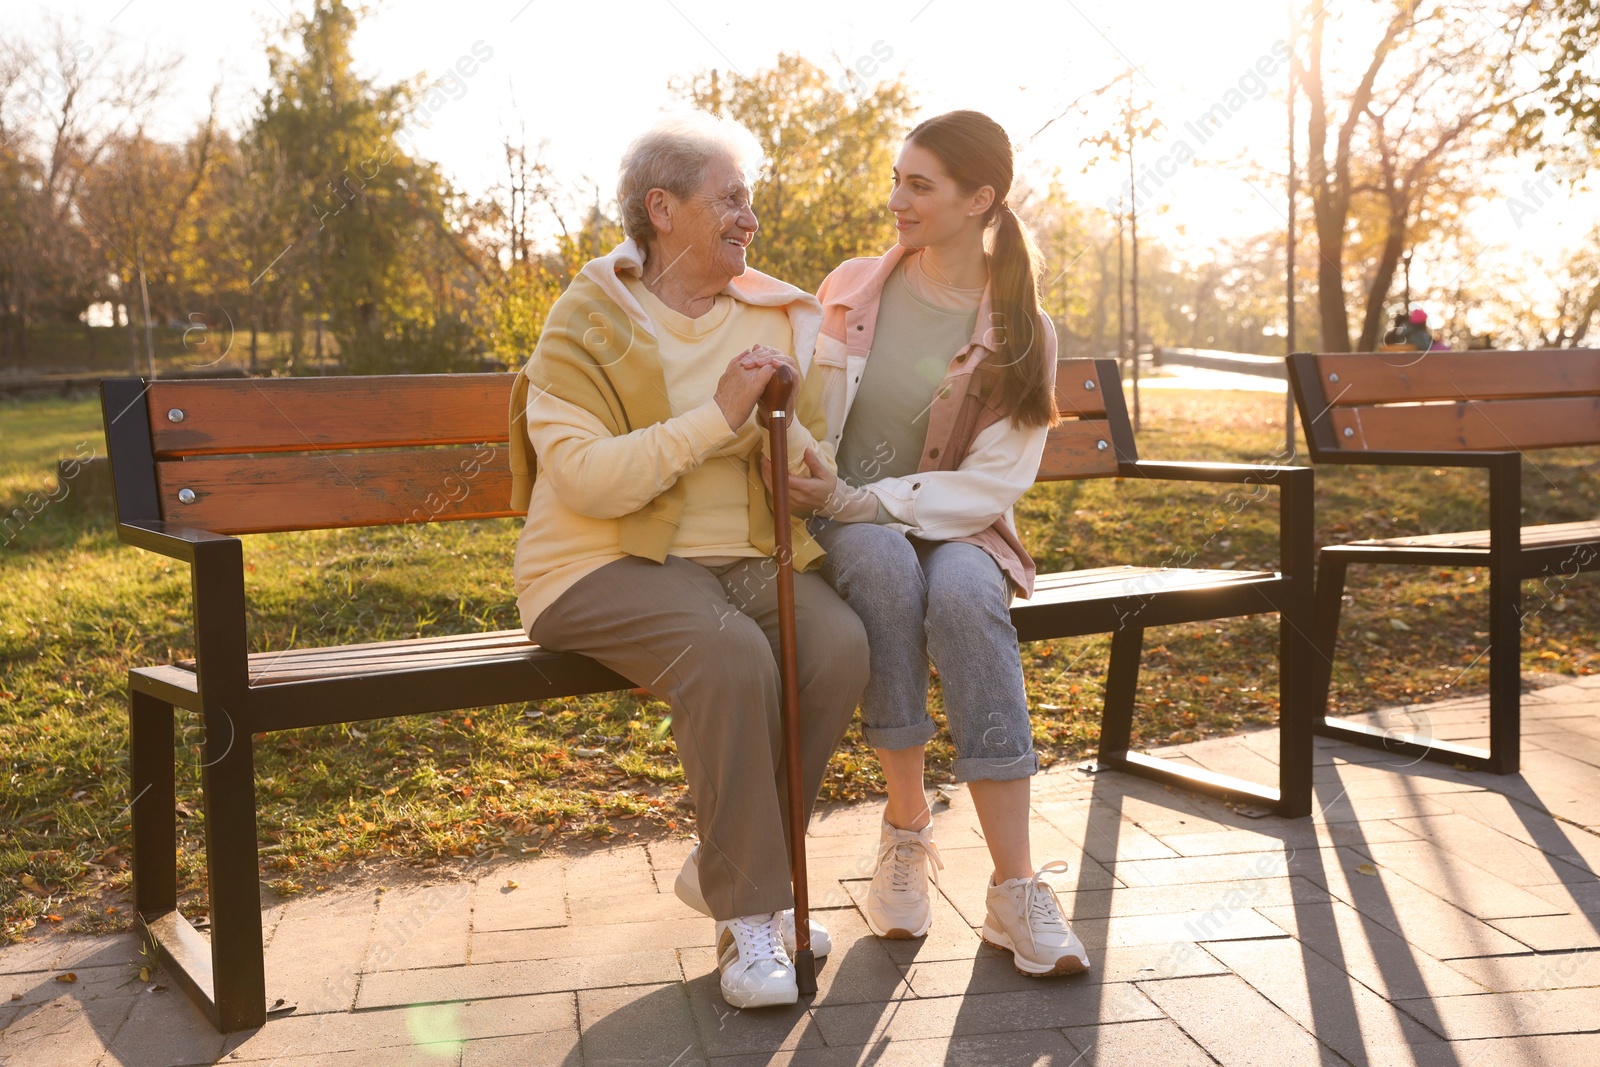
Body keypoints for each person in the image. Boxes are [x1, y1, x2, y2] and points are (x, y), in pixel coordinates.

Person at [507, 114, 869, 1009]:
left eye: (750, 198)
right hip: (596, 561)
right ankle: (750, 918)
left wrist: (800, 455)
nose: (750, 217)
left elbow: (800, 447)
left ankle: (737, 869)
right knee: (729, 653)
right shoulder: (588, 318)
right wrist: (717, 414)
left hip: (733, 557)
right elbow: (586, 480)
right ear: (661, 209)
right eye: (731, 199)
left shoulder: (775, 311)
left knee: (836, 644)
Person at [776, 110, 1090, 976]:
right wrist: (831, 491)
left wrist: (864, 496)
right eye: (897, 179)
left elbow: (995, 481)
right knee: (878, 558)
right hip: (851, 525)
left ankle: (1014, 887)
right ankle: (906, 835)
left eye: (920, 185)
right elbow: (800, 410)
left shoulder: (1023, 327)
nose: (896, 200)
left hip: (956, 524)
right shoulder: (849, 289)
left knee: (963, 592)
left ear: (978, 199)